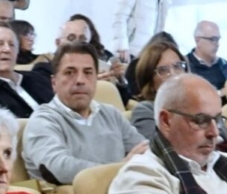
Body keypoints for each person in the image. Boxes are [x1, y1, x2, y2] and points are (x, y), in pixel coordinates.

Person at [23, 41, 148, 185]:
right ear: (54, 82)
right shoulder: (43, 121)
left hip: (126, 192)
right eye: (70, 72)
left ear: (96, 79)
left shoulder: (111, 114)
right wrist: (121, 168)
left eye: (88, 73)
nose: (80, 80)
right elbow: (60, 169)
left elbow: (145, 152)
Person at [125, 35, 189, 144]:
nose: (173, 74)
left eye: (178, 66)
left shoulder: (197, 105)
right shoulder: (146, 110)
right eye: (163, 70)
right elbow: (156, 149)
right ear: (150, 81)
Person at [185, 21, 227, 91]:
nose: (217, 44)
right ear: (197, 40)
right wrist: (219, 93)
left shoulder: (224, 65)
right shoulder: (186, 65)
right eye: (213, 39)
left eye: (218, 39)